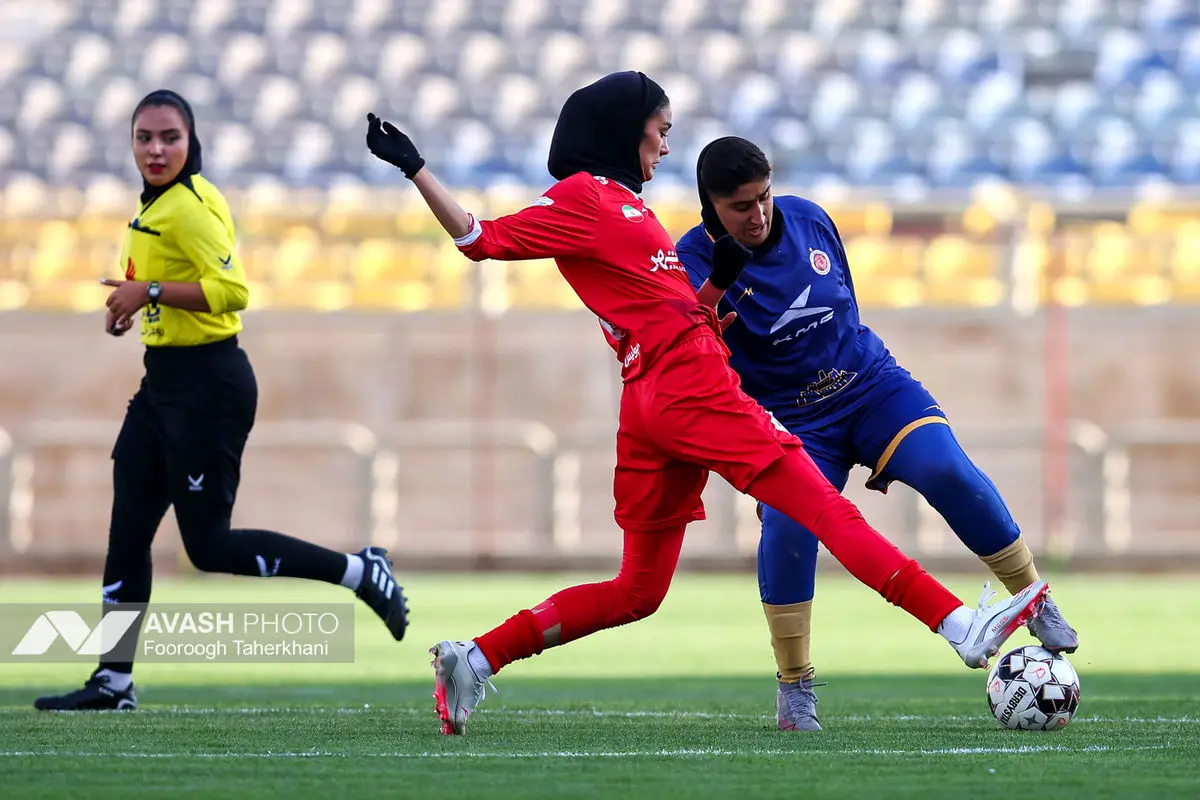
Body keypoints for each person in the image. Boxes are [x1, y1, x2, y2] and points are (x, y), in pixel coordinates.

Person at [364, 71, 1048, 737]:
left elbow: (670, 313)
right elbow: (479, 240)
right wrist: (417, 168)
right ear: (621, 130)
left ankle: (475, 658)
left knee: (638, 592)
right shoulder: (587, 199)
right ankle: (958, 624)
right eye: (658, 131)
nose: (665, 146)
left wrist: (715, 290)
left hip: (651, 396)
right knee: (821, 506)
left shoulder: (625, 205)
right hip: (691, 385)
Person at [676, 135, 1079, 732]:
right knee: (788, 527)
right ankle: (794, 689)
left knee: (947, 470)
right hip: (792, 418)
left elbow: (846, 307)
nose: (759, 215)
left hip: (870, 386)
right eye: (742, 206)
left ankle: (1036, 601)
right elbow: (694, 354)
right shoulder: (691, 262)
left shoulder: (811, 219)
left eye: (764, 197)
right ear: (711, 205)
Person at [34, 90, 409, 712]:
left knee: (207, 547)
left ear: (191, 140)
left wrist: (147, 289)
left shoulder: (189, 208)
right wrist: (137, 304)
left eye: (169, 137)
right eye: (144, 138)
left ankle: (359, 572)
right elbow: (169, 289)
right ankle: (114, 681)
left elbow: (232, 291)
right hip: (165, 385)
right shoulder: (157, 205)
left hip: (208, 389)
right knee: (127, 534)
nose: (156, 149)